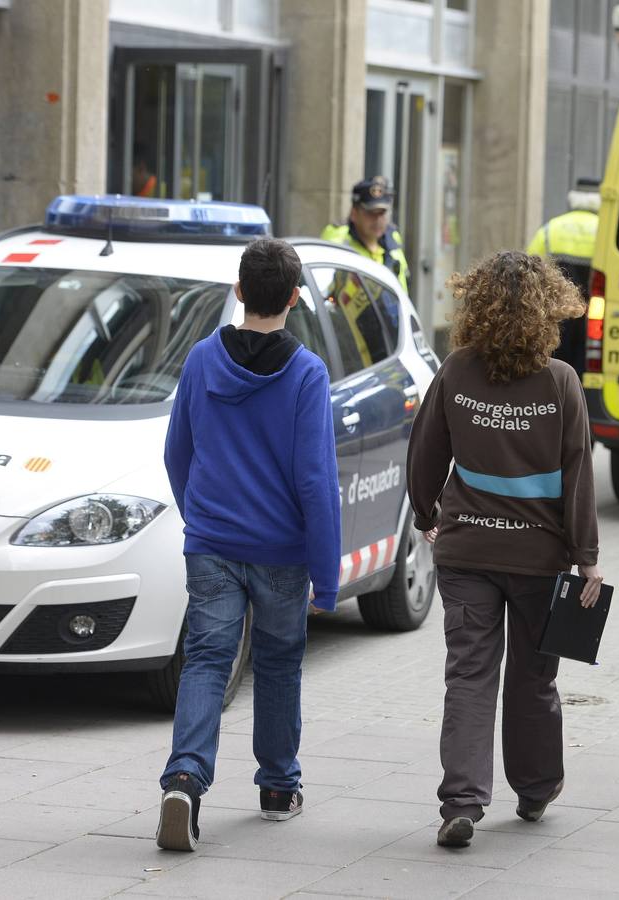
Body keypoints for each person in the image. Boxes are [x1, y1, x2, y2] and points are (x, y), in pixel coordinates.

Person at [406, 250, 603, 849]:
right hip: (540, 562)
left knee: (468, 675)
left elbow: (425, 453)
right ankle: (536, 787)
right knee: (534, 678)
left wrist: (426, 513)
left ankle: (462, 802)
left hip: (466, 554)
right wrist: (586, 556)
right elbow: (579, 475)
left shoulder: (458, 370)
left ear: (478, 307)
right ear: (548, 310)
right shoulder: (560, 382)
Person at [156, 238, 342, 852]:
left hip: (212, 542)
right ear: (295, 298)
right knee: (279, 661)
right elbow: (316, 481)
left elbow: (176, 452)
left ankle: (184, 780)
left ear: (238, 291)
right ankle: (277, 787)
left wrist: (199, 518)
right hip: (281, 550)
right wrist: (327, 573)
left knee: (208, 661)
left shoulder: (204, 359)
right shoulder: (306, 373)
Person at [526, 179, 600, 375]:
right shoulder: (605, 232)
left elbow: (530, 270)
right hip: (594, 313)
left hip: (558, 311)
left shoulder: (551, 229)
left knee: (556, 359)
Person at [322, 175, 410, 293]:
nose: (378, 220)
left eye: (382, 213)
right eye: (371, 213)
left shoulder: (393, 237)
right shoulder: (338, 237)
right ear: (354, 213)